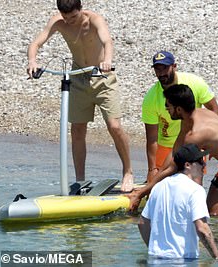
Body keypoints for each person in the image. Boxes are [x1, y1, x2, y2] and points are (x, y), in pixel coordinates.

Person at [26, 0, 133, 192]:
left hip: (102, 76)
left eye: (73, 17)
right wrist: (32, 61)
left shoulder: (94, 20)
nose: (70, 21)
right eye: (66, 18)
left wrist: (107, 61)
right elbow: (36, 42)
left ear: (81, 10)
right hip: (77, 78)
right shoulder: (58, 22)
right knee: (77, 130)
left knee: (114, 126)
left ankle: (128, 172)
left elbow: (107, 41)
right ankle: (80, 181)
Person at [129, 84, 218, 214]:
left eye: (168, 106)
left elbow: (173, 167)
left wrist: (141, 194)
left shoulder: (196, 134)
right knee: (212, 214)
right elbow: (174, 153)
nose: (166, 109)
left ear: (179, 109)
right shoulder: (193, 116)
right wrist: (151, 183)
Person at [142, 51, 218, 183]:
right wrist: (152, 170)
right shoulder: (151, 99)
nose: (161, 73)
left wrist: (210, 139)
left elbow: (214, 109)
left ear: (174, 66)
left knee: (193, 184)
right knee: (160, 185)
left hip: (193, 142)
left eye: (165, 68)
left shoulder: (195, 83)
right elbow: (152, 139)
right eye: (157, 69)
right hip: (165, 145)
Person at [138, 143, 218, 259]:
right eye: (200, 161)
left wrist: (153, 247)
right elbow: (202, 229)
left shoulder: (158, 187)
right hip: (182, 260)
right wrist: (217, 258)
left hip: (155, 258)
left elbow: (142, 223)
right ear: (187, 165)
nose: (204, 164)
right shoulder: (196, 190)